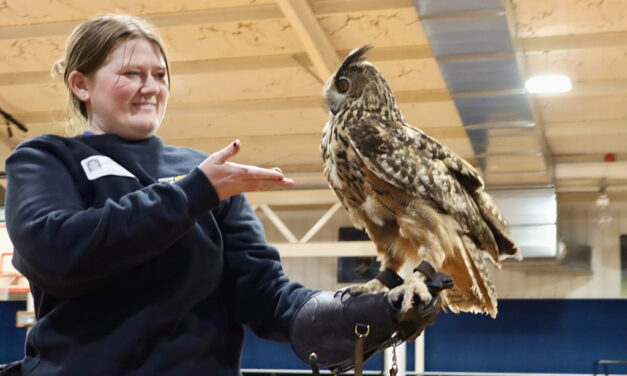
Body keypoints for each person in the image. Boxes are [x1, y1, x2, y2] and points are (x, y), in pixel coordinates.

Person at [3, 14, 449, 376]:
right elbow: (59, 251)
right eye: (131, 74)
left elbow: (265, 296)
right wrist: (193, 194)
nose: (151, 87)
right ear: (81, 85)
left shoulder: (203, 172)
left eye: (160, 75)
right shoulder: (46, 158)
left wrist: (364, 312)